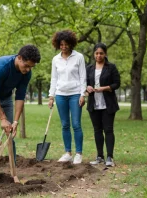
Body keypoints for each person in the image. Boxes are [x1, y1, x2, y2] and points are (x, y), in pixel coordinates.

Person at [0, 44, 41, 175]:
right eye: (27, 66)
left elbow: (20, 96)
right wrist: (2, 118)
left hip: (6, 97)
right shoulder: (3, 65)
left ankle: (13, 171)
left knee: (10, 133)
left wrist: (15, 122)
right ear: (19, 58)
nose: (28, 69)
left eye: (31, 67)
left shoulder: (26, 73)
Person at [48, 30, 86, 164]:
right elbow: (54, 78)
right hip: (60, 95)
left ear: (71, 44)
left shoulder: (79, 57)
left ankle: (78, 154)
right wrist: (51, 96)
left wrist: (82, 94)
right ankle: (68, 152)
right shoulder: (55, 59)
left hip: (75, 94)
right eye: (61, 44)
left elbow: (83, 76)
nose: (64, 47)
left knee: (76, 124)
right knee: (65, 125)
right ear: (58, 44)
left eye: (66, 44)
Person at [86, 43, 120, 167]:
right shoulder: (89, 68)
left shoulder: (111, 67)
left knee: (108, 130)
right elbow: (84, 83)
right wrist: (87, 87)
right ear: (94, 54)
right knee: (97, 130)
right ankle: (100, 156)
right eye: (97, 53)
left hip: (108, 104)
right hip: (94, 104)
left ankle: (109, 157)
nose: (99, 55)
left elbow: (117, 83)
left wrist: (104, 88)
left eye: (101, 53)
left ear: (105, 54)